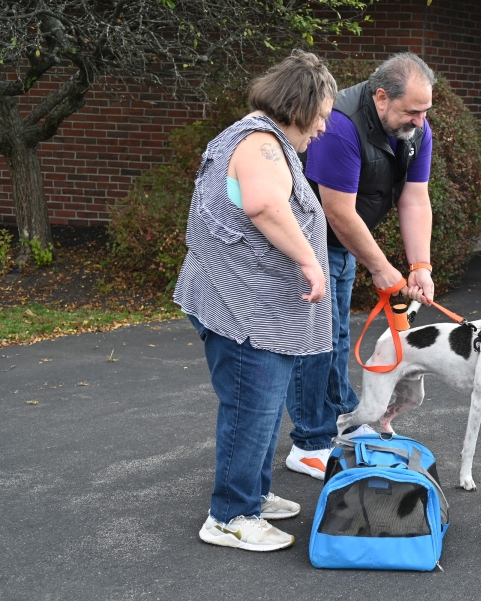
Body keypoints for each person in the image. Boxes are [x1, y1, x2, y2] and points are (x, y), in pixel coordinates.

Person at [173, 50, 337, 551]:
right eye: (322, 115)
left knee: (262, 411)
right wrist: (311, 261)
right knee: (251, 409)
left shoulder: (258, 138)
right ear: (298, 104)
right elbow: (264, 203)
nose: (324, 128)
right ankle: (230, 515)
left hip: (256, 312)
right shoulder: (261, 143)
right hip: (245, 315)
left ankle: (253, 494)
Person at [284, 52, 436, 479]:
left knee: (337, 334)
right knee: (315, 339)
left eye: (426, 111)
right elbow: (337, 211)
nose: (421, 121)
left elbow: (415, 198)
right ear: (382, 97)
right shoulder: (339, 125)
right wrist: (382, 267)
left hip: (341, 245)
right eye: (412, 111)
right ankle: (309, 441)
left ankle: (342, 421)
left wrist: (419, 264)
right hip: (306, 242)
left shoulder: (414, 127)